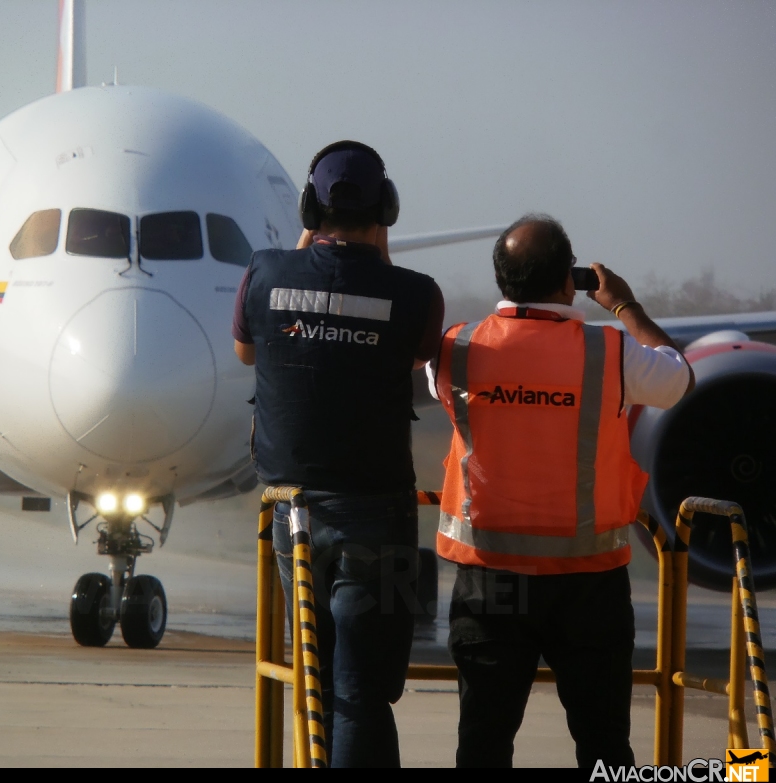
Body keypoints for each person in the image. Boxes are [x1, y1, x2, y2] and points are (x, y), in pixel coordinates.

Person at [428, 214, 694, 768]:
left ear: (501, 278)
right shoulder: (610, 352)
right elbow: (678, 378)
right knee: (605, 750)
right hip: (587, 584)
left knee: (482, 746)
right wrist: (625, 305)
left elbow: (436, 382)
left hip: (490, 582)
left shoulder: (458, 348)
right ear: (569, 281)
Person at [232, 141, 444, 767]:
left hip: (290, 509)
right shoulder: (416, 293)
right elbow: (417, 355)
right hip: (378, 512)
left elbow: (247, 352)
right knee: (364, 692)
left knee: (317, 680)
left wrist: (305, 257)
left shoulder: (263, 273)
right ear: (387, 210)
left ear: (308, 208)